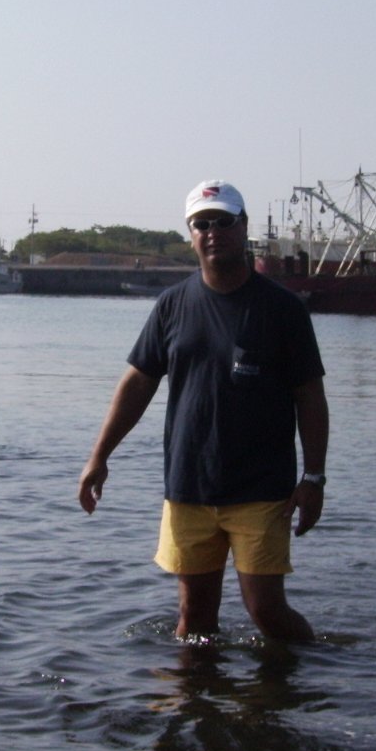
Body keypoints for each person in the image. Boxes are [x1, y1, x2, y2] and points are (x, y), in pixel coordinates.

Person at [78, 180, 329, 643]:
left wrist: (313, 479)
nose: (213, 232)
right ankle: (195, 706)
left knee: (266, 611)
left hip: (261, 489)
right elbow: (137, 383)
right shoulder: (172, 305)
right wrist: (99, 456)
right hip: (189, 487)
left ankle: (311, 678)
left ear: (244, 227)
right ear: (191, 234)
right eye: (202, 224)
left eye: (223, 222)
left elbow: (310, 396)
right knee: (193, 620)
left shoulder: (283, 309)